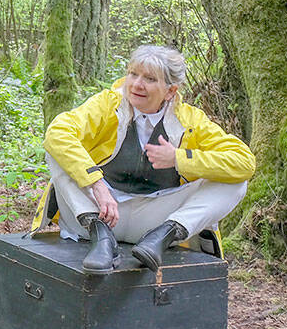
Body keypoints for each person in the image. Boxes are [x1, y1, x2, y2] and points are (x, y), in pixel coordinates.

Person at [31, 45, 255, 273]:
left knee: (235, 181)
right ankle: (102, 240)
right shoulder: (108, 104)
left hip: (153, 224)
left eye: (149, 79)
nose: (137, 84)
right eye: (133, 74)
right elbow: (58, 132)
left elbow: (244, 162)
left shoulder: (189, 120)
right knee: (57, 151)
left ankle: (164, 236)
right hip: (99, 214)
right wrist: (96, 184)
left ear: (170, 91)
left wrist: (179, 158)